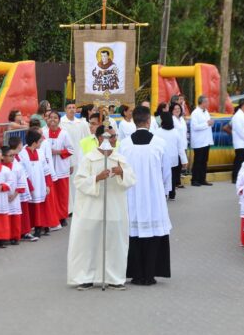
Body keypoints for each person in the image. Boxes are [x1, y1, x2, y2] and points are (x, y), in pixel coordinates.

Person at [67, 125, 136, 290]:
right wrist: (96, 178)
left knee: (114, 242)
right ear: (100, 138)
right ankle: (85, 277)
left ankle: (114, 278)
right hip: (91, 209)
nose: (114, 139)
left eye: (114, 136)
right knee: (88, 244)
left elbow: (132, 179)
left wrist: (121, 173)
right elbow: (79, 182)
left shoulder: (120, 159)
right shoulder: (88, 159)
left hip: (114, 208)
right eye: (110, 136)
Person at [120, 106, 172, 286]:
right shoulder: (159, 143)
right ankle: (150, 274)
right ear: (149, 121)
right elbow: (167, 171)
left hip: (131, 194)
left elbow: (122, 172)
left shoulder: (124, 145)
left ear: (134, 121)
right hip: (154, 194)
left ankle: (135, 274)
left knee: (134, 234)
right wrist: (165, 190)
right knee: (153, 233)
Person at [19, 129, 51, 239]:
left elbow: (46, 169)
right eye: (39, 142)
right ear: (34, 143)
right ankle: (32, 227)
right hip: (30, 185)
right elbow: (23, 172)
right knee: (30, 208)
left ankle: (40, 227)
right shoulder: (22, 154)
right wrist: (29, 186)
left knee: (40, 207)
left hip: (40, 184)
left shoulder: (40, 152)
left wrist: (47, 185)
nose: (41, 144)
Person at [43, 111, 74, 226]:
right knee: (51, 194)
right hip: (48, 169)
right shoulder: (44, 133)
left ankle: (62, 217)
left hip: (61, 168)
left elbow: (71, 150)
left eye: (55, 118)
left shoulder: (64, 134)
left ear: (59, 120)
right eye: (50, 117)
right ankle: (51, 216)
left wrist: (57, 152)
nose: (52, 120)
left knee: (62, 194)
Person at [60, 101, 91, 214]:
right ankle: (68, 208)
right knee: (68, 182)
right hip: (66, 156)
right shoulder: (62, 123)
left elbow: (87, 138)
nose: (72, 109)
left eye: (74, 107)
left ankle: (78, 206)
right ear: (65, 109)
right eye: (69, 107)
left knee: (78, 180)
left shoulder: (81, 123)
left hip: (79, 155)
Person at [154, 112, 187, 200]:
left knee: (162, 177)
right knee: (172, 177)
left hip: (162, 158)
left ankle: (164, 194)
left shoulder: (157, 132)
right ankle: (172, 194)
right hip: (173, 159)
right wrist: (184, 161)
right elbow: (180, 147)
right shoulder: (175, 132)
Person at [190, 95, 214, 186]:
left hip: (206, 141)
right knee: (198, 161)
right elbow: (195, 127)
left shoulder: (206, 111)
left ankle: (202, 179)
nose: (208, 103)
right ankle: (194, 180)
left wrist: (210, 123)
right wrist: (207, 123)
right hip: (199, 142)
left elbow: (207, 124)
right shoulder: (195, 113)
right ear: (202, 103)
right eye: (206, 102)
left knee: (204, 161)